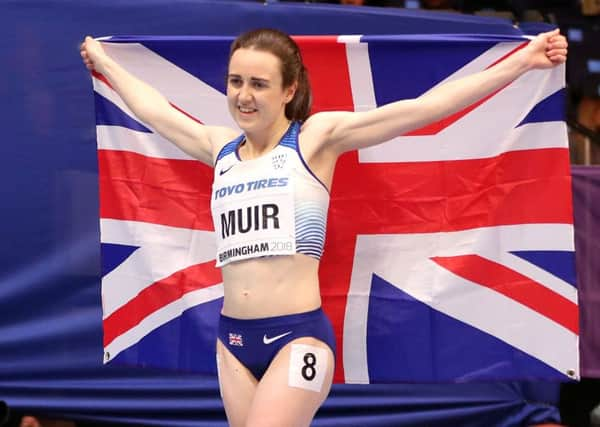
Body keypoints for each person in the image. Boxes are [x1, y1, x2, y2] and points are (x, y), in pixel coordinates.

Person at [80, 27, 567, 427]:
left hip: (298, 340)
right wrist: (106, 62)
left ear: (289, 90)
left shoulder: (315, 139)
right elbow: (154, 111)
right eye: (235, 82)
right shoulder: (219, 148)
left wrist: (522, 63)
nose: (243, 96)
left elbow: (423, 110)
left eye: (259, 84)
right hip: (231, 344)